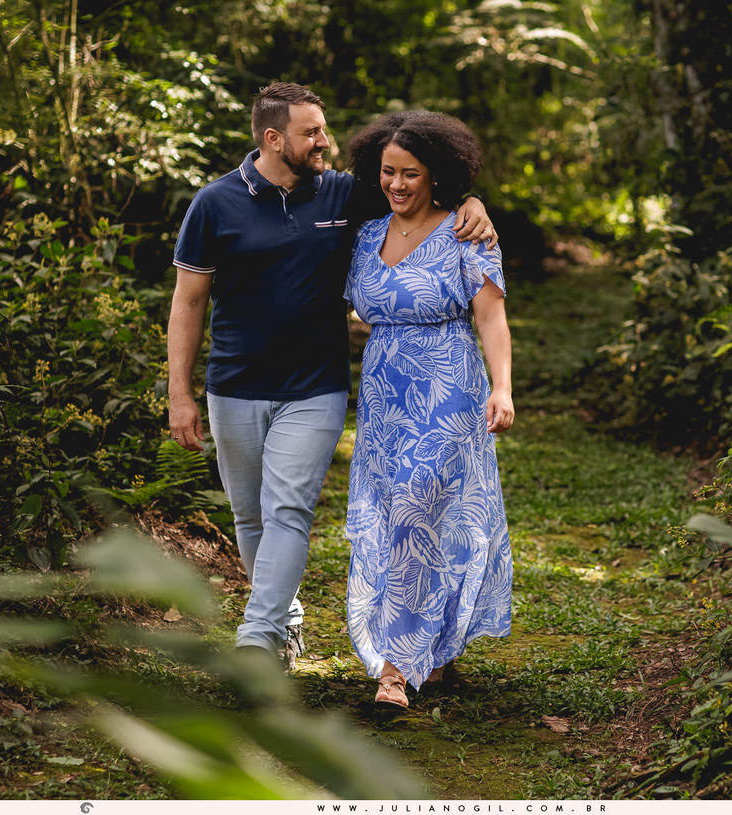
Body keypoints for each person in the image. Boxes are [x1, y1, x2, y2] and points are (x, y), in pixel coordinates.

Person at [167, 84, 497, 669]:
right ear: (274, 139)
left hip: (316, 387)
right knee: (249, 516)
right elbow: (188, 303)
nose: (327, 142)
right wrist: (180, 394)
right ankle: (286, 619)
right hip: (233, 385)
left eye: (324, 128)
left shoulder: (346, 194)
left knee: (288, 509)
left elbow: (421, 190)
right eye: (312, 132)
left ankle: (257, 637)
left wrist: (473, 201)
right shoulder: (214, 204)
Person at [343, 111, 514, 708]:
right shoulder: (364, 237)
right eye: (388, 172)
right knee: (396, 518)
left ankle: (394, 670)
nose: (397, 184)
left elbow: (491, 316)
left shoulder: (466, 233)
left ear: (435, 174)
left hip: (450, 390)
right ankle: (432, 649)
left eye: (410, 174)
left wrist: (503, 387)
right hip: (384, 393)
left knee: (420, 507)